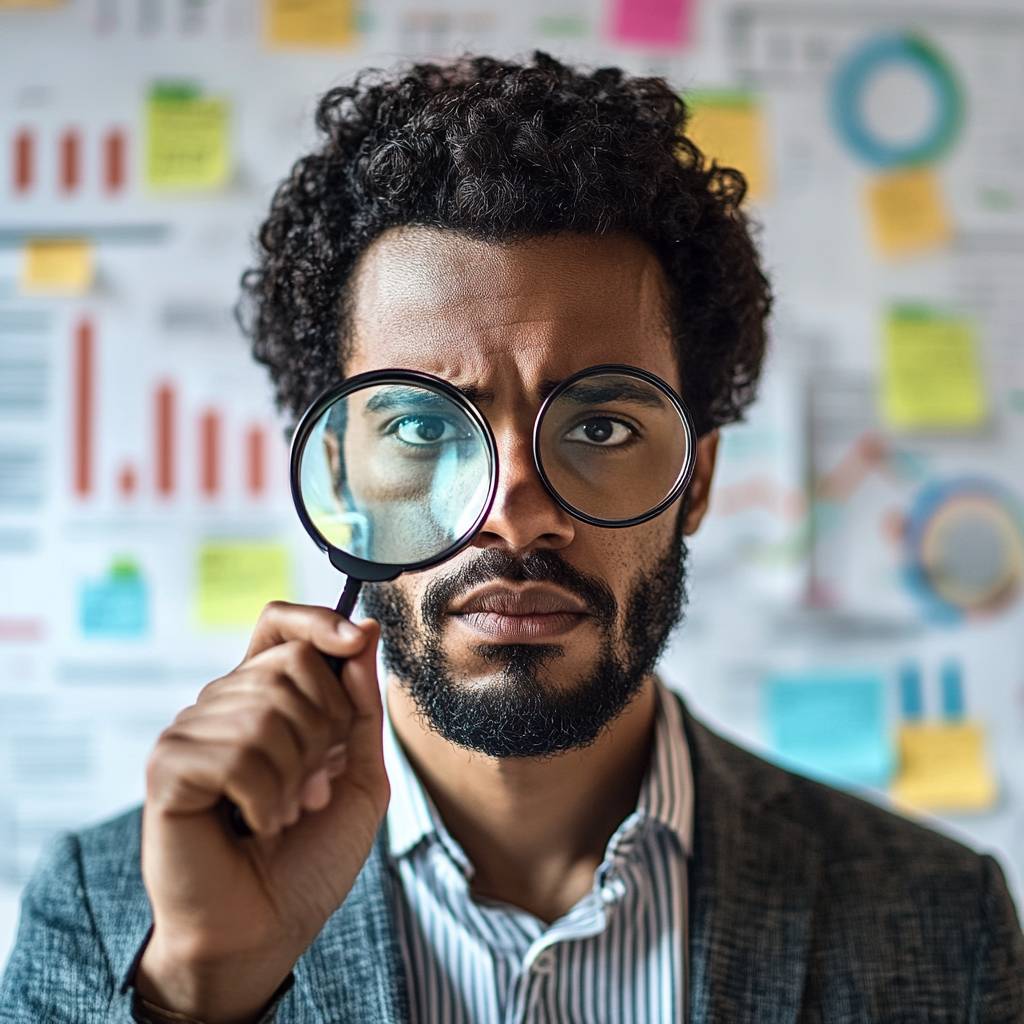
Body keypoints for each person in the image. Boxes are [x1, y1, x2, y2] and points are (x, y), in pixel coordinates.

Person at [2, 51, 1022, 1024]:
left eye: (601, 426)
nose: (514, 510)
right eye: (418, 425)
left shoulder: (940, 918)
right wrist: (196, 993)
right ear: (340, 472)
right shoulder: (106, 912)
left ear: (696, 479)